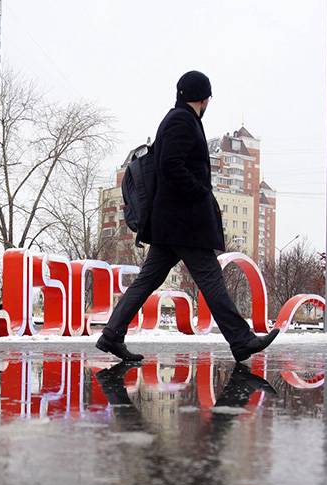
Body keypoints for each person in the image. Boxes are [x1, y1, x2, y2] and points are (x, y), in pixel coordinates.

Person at [96, 70, 279, 362]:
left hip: (171, 225)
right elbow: (171, 166)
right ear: (204, 98)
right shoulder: (182, 121)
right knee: (211, 280)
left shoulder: (178, 119)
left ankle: (111, 334)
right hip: (185, 223)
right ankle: (241, 340)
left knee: (147, 281)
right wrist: (201, 193)